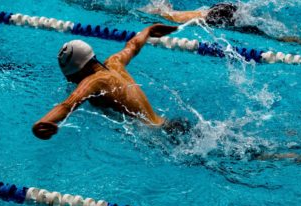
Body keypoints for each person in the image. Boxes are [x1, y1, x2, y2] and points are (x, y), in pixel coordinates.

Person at [32, 24, 190, 140]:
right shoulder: (114, 63)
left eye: (72, 78)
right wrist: (148, 30)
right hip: (170, 124)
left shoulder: (94, 81)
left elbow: (67, 105)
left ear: (80, 70)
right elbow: (132, 45)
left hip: (160, 137)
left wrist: (42, 122)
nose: (72, 82)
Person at [142, 2, 301, 45]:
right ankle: (289, 39)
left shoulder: (172, 16)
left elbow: (167, 16)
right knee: (253, 29)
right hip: (219, 12)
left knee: (251, 30)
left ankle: (288, 39)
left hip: (214, 16)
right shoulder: (175, 15)